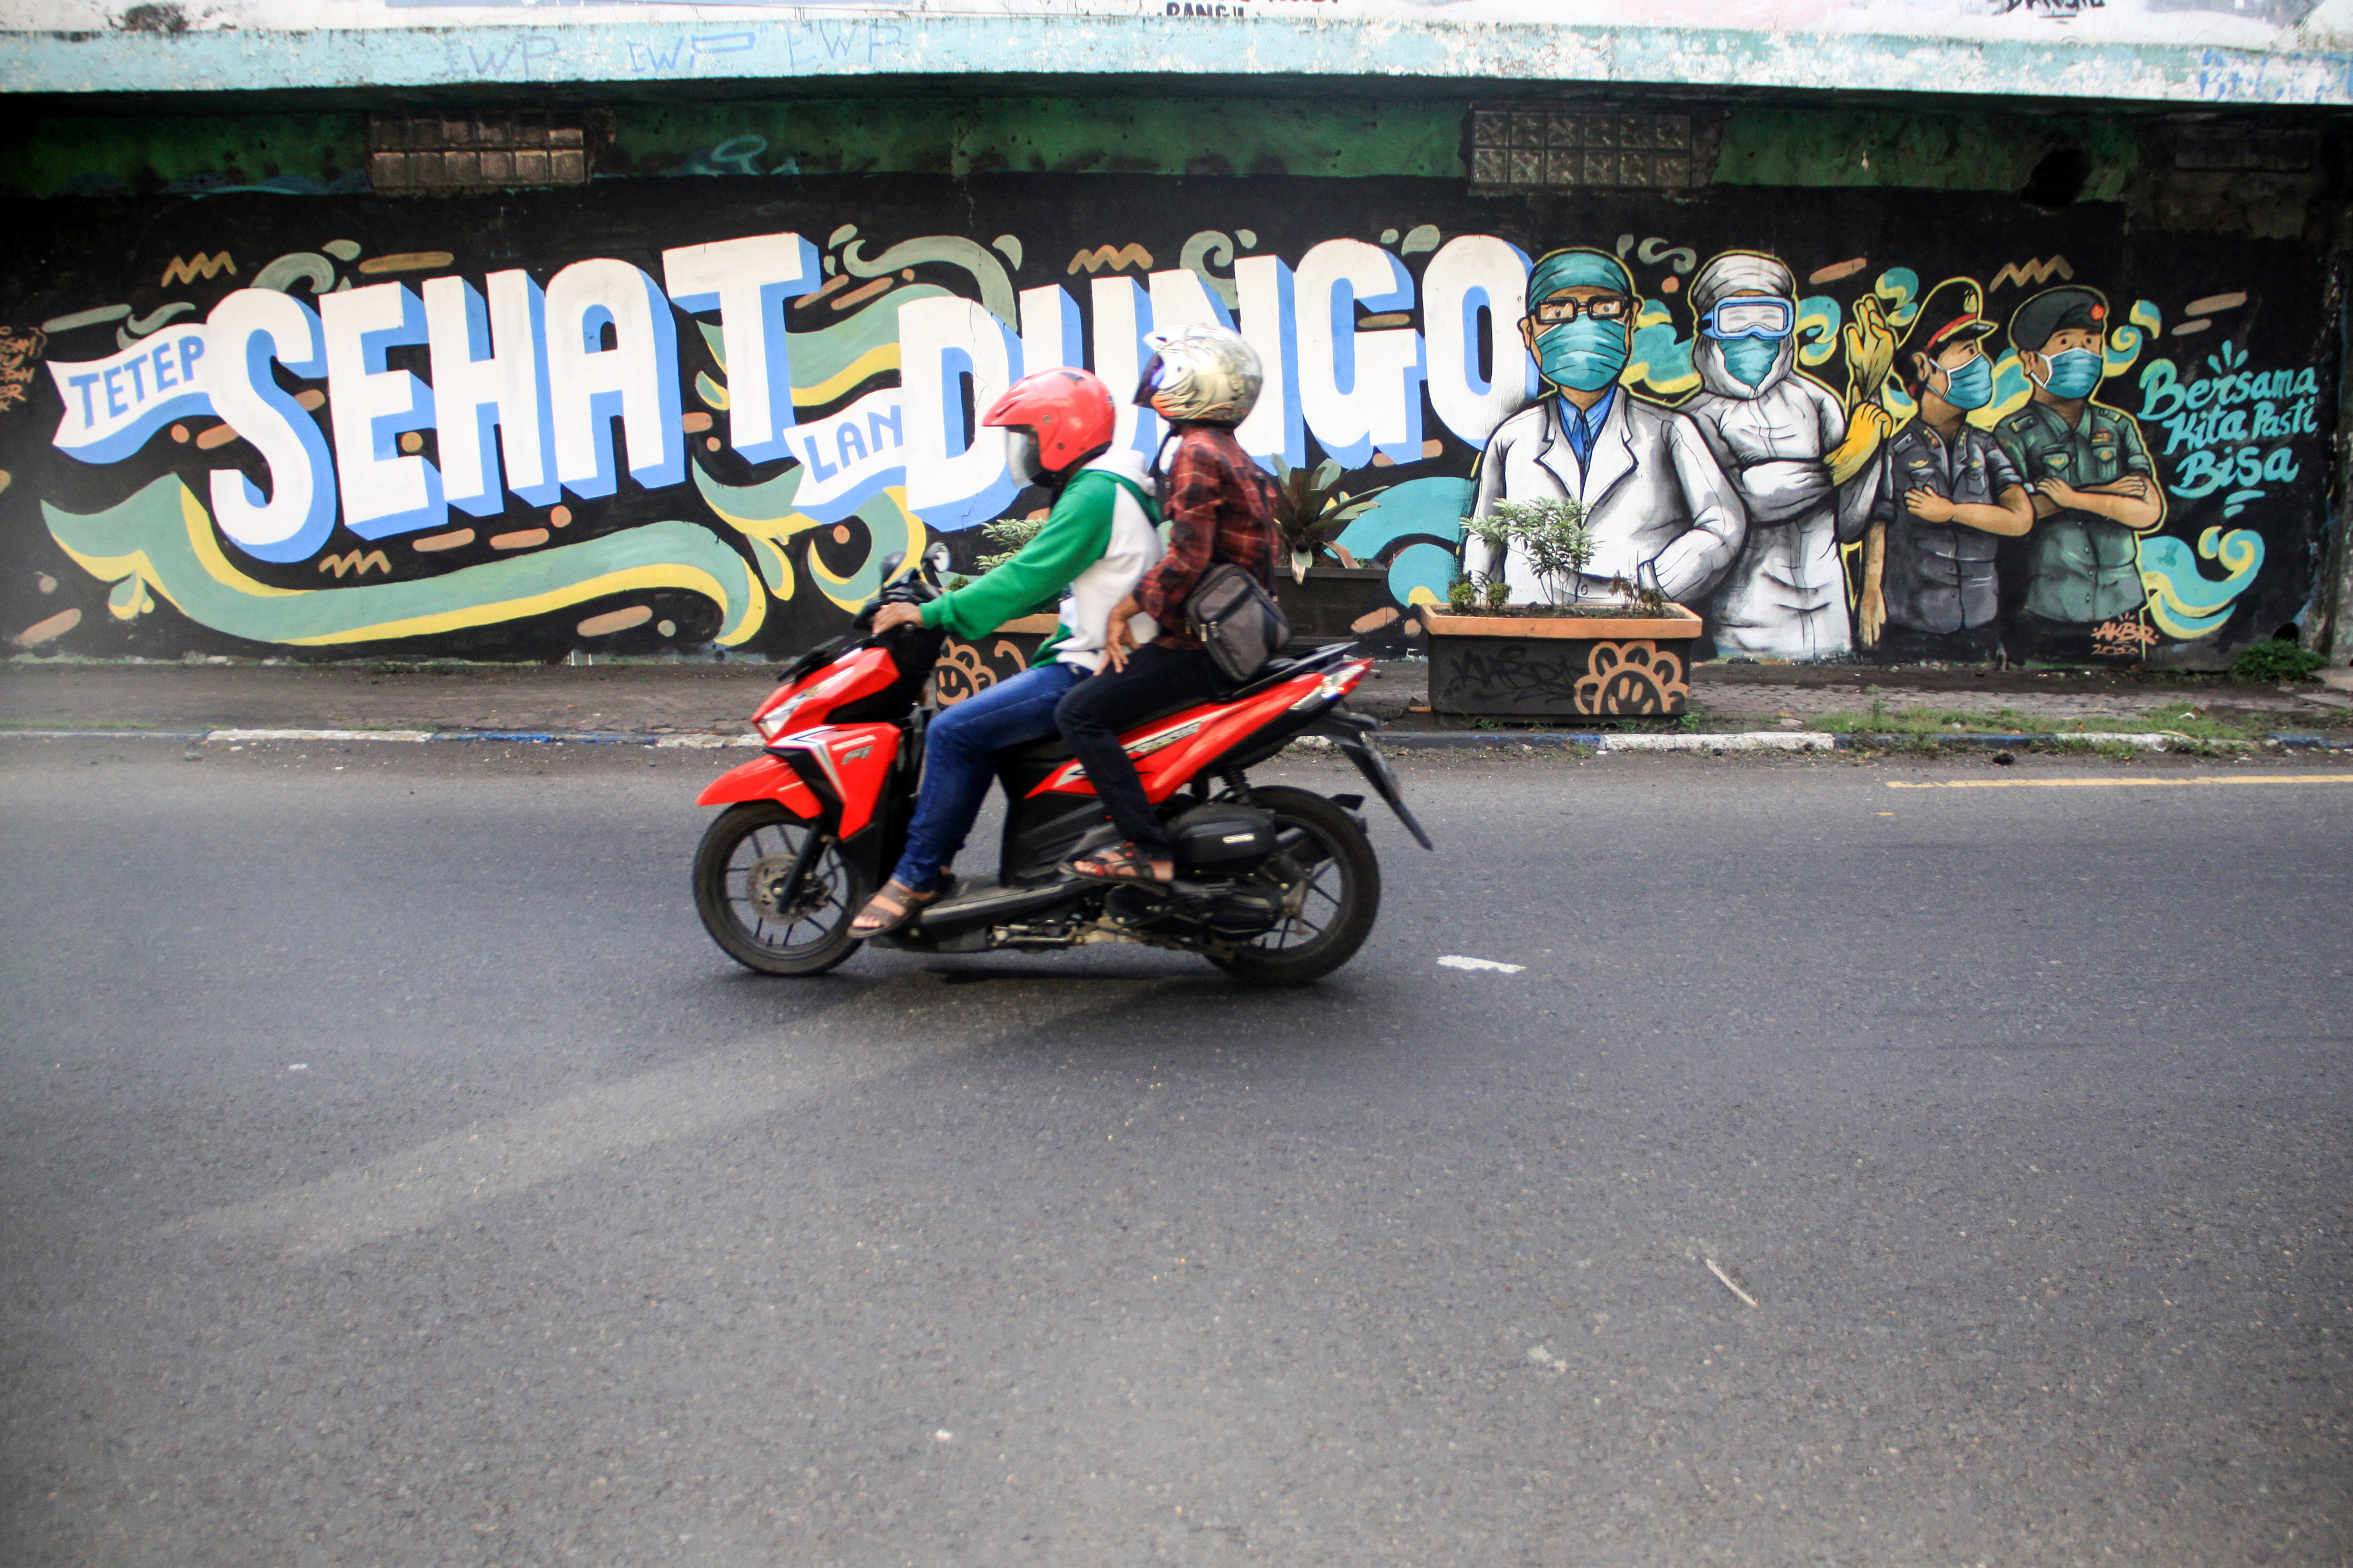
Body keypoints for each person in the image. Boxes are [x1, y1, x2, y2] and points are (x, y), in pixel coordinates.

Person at [852, 367, 1161, 935]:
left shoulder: (1095, 493)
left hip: (1091, 667)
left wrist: (934, 612)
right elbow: (1060, 579)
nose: (1022, 450)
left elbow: (1028, 577)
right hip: (1107, 655)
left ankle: (918, 875)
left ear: (1060, 433)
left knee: (952, 731)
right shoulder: (1117, 481)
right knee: (977, 725)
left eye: (1028, 436)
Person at [1054, 323, 1278, 886]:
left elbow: (1188, 558)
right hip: (1226, 636)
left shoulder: (1197, 453)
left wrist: (1124, 610)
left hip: (1200, 645)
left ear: (1195, 382)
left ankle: (1144, 847)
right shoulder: (1227, 450)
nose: (1153, 384)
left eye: (1165, 371)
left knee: (1078, 713)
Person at [1467, 246, 1745, 609]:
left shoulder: (1671, 431)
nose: (1583, 324)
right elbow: (1485, 541)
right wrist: (1478, 615)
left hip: (1638, 638)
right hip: (1528, 637)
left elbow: (1723, 527)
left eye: (1604, 308)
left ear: (1630, 319)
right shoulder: (1512, 438)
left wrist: (1650, 586)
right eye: (1558, 311)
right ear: (1529, 332)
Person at [1678, 249, 1892, 661]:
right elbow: (1750, 498)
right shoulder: (1694, 418)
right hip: (1748, 621)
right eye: (1736, 319)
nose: (1755, 335)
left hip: (1830, 613)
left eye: (1771, 318)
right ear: (1709, 327)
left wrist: (1869, 409)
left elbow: (1850, 521)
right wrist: (1846, 458)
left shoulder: (1817, 401)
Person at [1853, 278, 2035, 662]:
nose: (1980, 362)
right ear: (1923, 365)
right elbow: (1877, 523)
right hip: (1914, 622)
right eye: (1967, 350)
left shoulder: (1987, 448)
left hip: (1981, 620)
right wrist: (1870, 593)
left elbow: (2021, 518)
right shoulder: (1896, 451)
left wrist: (1952, 512)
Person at [1991, 285, 2166, 631]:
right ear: (2029, 359)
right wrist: (2111, 491)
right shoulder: (2013, 431)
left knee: (2125, 684)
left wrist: (2071, 498)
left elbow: (2149, 511)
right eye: (2066, 342)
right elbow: (2022, 512)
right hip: (2050, 603)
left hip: (2123, 602)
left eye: (2090, 342)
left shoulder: (2117, 426)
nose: (2081, 353)